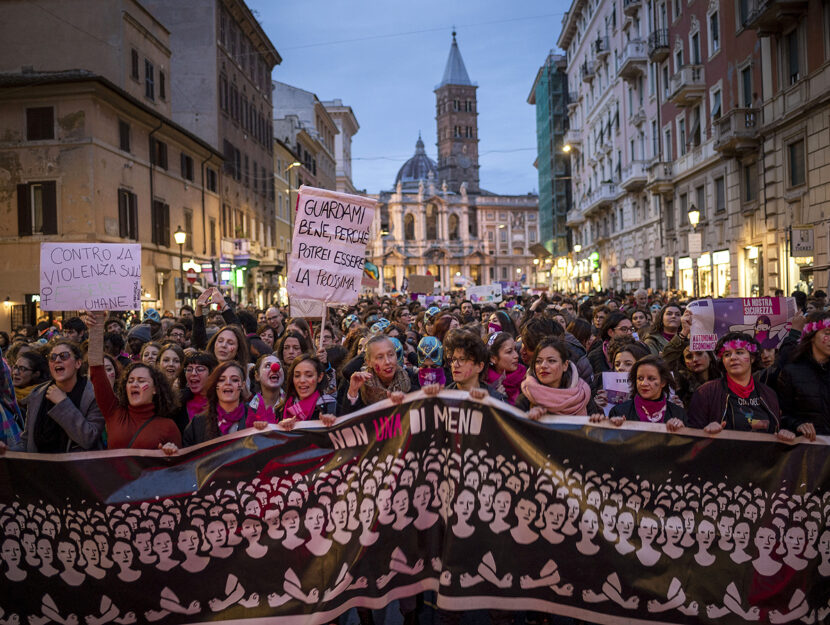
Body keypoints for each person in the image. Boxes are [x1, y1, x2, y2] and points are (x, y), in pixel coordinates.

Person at [85, 311, 181, 451]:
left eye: (141, 381)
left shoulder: (169, 427)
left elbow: (178, 469)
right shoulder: (113, 413)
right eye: (130, 381)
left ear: (155, 389)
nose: (134, 384)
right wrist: (95, 329)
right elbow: (97, 372)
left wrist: (171, 453)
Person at [687, 332, 795, 441]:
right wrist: (705, 432)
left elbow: (776, 432)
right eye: (727, 354)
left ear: (752, 358)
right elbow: (692, 441)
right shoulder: (705, 393)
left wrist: (784, 432)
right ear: (722, 361)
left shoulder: (769, 394)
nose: (733, 357)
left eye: (739, 352)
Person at [6, 341, 104, 453]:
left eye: (64, 356)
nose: (57, 360)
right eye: (52, 357)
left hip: (75, 468)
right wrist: (8, 451)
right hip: (40, 468)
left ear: (78, 363)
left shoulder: (93, 395)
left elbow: (88, 439)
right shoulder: (37, 395)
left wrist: (62, 403)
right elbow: (27, 442)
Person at [592, 355, 685, 430]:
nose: (644, 383)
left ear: (663, 382)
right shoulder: (619, 411)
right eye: (640, 378)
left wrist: (681, 430)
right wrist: (615, 428)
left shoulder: (678, 413)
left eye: (651, 378)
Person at [776, 311, 830, 439]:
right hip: (807, 451)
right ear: (811, 336)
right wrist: (798, 425)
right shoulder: (792, 372)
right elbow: (780, 414)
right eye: (827, 333)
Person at [182, 361, 263, 447]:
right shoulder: (198, 423)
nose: (228, 383)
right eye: (221, 380)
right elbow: (186, 455)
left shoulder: (257, 417)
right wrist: (172, 451)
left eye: (234, 380)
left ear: (242, 385)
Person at [515, 337, 600, 418]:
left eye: (551, 361)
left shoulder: (582, 396)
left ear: (565, 365)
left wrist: (598, 421)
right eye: (538, 361)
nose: (543, 366)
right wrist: (527, 418)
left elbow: (594, 431)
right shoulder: (527, 398)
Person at [341, 335, 417, 414]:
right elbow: (347, 421)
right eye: (380, 357)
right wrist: (353, 394)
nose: (387, 362)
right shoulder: (360, 385)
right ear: (368, 362)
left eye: (391, 355)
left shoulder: (411, 379)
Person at [276, 355, 337, 429]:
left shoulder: (330, 406)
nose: (302, 380)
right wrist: (279, 429)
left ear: (320, 377)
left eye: (309, 375)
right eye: (297, 375)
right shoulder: (281, 408)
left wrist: (331, 426)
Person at [485, 332, 525, 404]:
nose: (516, 355)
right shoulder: (483, 386)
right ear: (493, 358)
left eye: (515, 349)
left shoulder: (526, 377)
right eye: (509, 352)